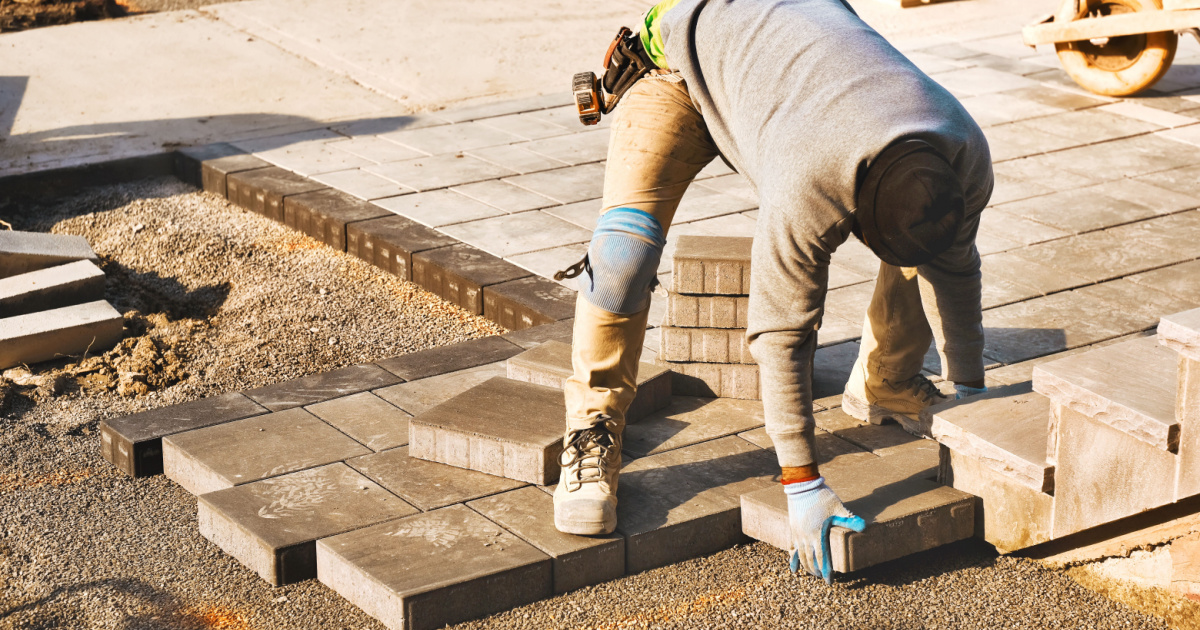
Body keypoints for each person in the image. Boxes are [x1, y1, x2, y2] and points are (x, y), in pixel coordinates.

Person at [553, 0, 993, 583]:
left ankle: (888, 382)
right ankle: (593, 425)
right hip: (681, 69)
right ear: (850, 213)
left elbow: (957, 272)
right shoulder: (811, 180)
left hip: (795, 76)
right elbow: (782, 333)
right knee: (622, 253)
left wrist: (974, 401)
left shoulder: (962, 153)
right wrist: (803, 483)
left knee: (923, 243)